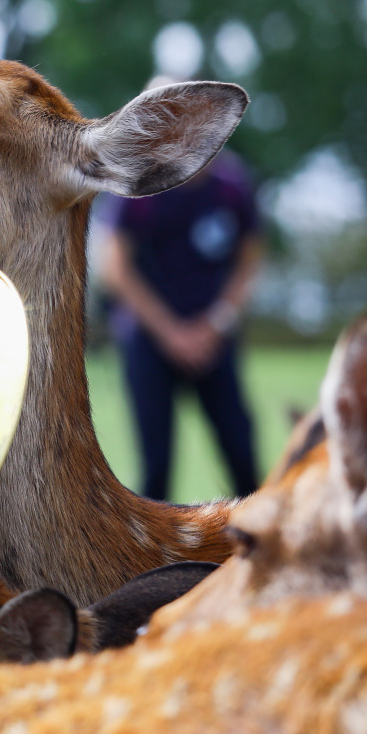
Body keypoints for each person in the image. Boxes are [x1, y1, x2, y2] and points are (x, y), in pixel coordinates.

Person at [100, 147, 263, 502]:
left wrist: (216, 324)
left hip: (214, 339)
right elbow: (115, 267)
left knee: (243, 457)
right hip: (149, 338)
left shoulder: (230, 186)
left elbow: (249, 260)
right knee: (156, 469)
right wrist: (171, 333)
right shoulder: (138, 187)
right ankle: (154, 561)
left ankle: (265, 553)